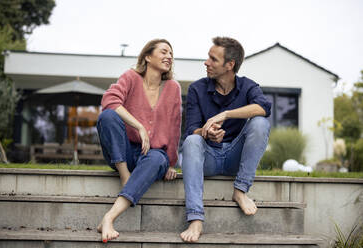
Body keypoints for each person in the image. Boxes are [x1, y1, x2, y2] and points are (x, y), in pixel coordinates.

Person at [180, 37, 271, 242]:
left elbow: (264, 108)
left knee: (260, 123)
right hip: (208, 158)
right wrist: (207, 132)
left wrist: (226, 114)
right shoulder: (197, 89)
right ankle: (195, 217)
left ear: (229, 65)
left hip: (235, 159)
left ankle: (240, 191)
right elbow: (191, 132)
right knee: (192, 142)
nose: (206, 62)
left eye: (213, 59)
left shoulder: (248, 86)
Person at [96, 39, 182, 242]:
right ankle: (126, 177)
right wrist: (139, 126)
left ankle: (109, 217)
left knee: (156, 159)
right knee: (107, 117)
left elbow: (174, 127)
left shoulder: (173, 88)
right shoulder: (130, 77)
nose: (168, 56)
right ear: (147, 56)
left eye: (171, 53)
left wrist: (171, 162)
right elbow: (109, 101)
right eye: (163, 52)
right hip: (123, 152)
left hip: (153, 155)